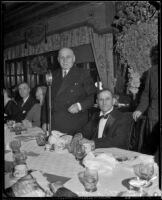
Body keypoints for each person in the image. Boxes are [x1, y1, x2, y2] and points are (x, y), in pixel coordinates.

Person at [42, 47, 96, 135]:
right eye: (62, 57)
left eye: (68, 57)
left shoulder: (82, 73)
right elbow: (47, 101)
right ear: (58, 60)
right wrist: (45, 121)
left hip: (74, 124)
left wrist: (80, 106)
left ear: (74, 58)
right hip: (54, 123)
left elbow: (94, 96)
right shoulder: (53, 75)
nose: (65, 60)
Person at [132, 45, 159, 155]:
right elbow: (146, 94)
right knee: (152, 150)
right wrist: (139, 109)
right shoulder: (152, 71)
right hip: (153, 117)